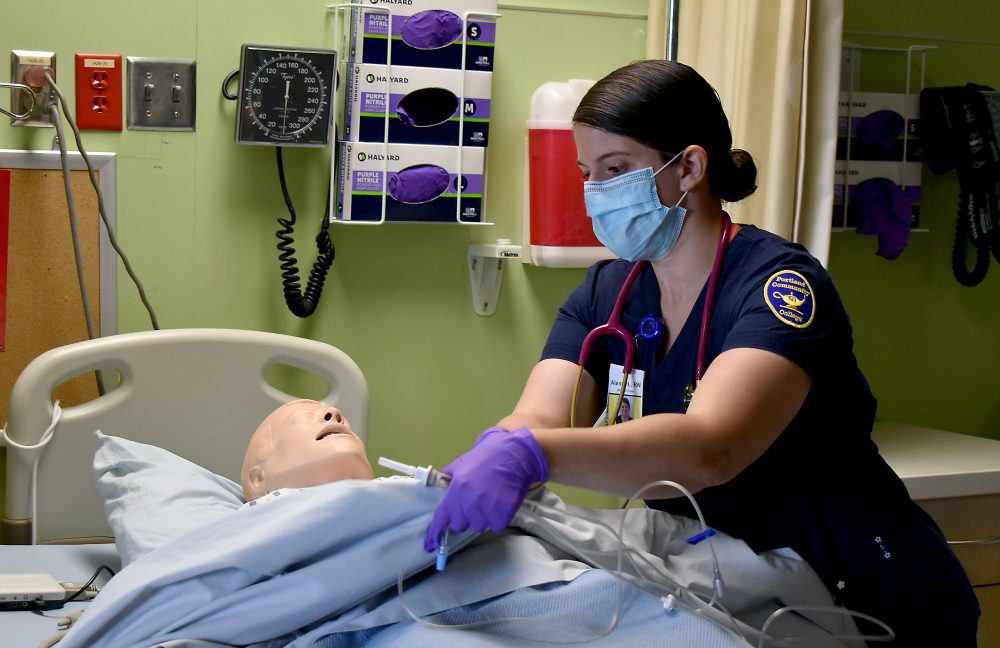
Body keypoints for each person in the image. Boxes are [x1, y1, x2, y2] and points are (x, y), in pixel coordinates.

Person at [424, 60, 979, 645]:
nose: (595, 193)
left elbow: (712, 448)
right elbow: (539, 418)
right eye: (588, 172)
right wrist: (501, 450)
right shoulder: (605, 293)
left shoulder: (780, 286)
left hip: (859, 588)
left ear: (689, 166)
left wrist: (532, 456)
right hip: (720, 588)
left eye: (616, 170)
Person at [241, 399, 374, 501]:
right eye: (306, 416)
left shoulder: (392, 495)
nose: (335, 412)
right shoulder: (245, 530)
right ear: (259, 479)